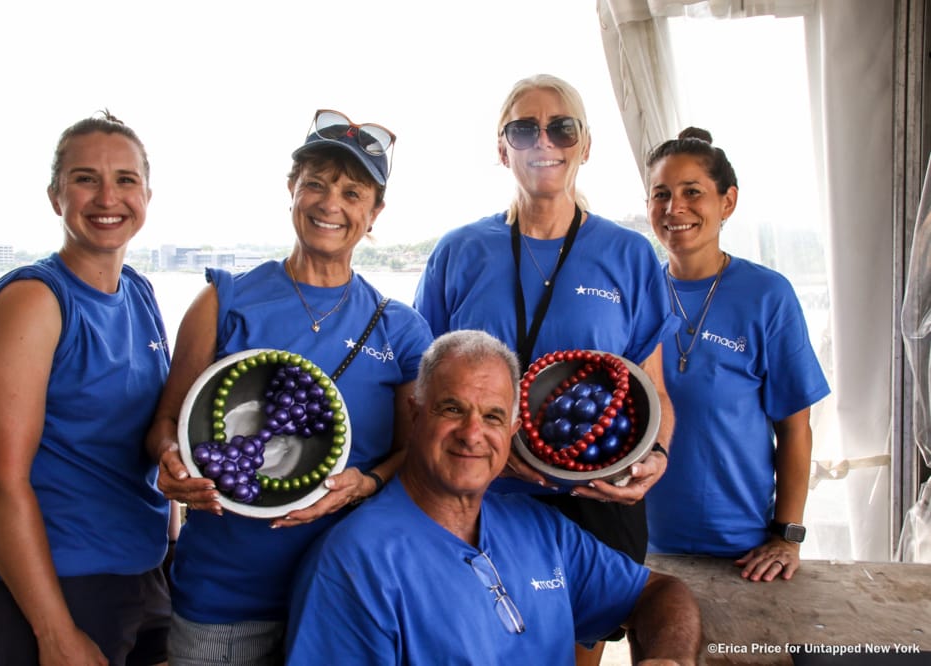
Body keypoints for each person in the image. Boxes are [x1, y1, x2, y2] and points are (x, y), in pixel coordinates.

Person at [146, 108, 433, 665]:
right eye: (317, 185)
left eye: (353, 193)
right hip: (221, 598)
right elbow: (165, 422)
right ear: (292, 191)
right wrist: (169, 462)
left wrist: (366, 483)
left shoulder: (402, 328)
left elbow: (414, 452)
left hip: (342, 596)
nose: (331, 204)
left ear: (374, 214)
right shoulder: (223, 302)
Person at [413, 74, 676, 663]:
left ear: (586, 144)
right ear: (501, 148)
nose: (544, 141)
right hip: (482, 497)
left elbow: (653, 391)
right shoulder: (459, 251)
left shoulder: (629, 255)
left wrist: (655, 454)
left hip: (594, 501)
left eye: (562, 127)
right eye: (524, 128)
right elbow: (418, 388)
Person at [285, 330, 701, 665]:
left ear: (513, 430)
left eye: (493, 416)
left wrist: (670, 658)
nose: (472, 433)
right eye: (451, 409)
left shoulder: (541, 529)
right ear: (415, 414)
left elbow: (660, 593)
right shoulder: (354, 563)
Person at [0, 111, 172, 666]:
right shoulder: (34, 301)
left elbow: (149, 434)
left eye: (125, 179)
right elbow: (0, 483)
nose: (108, 197)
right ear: (56, 196)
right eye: (85, 178)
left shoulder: (140, 294)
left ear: (147, 193)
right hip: (46, 592)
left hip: (138, 578)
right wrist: (54, 633)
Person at [643, 127, 831, 582]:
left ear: (727, 202)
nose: (675, 208)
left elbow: (795, 428)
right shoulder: (635, 291)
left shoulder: (766, 295)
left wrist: (787, 535)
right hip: (644, 543)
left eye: (693, 192)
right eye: (661, 193)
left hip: (743, 553)